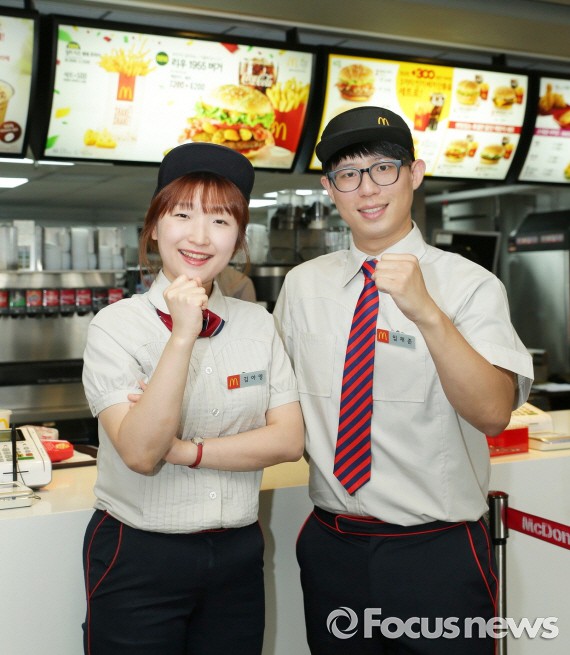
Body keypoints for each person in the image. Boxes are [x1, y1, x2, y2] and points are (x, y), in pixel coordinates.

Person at [273, 106, 533, 655]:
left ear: (414, 174)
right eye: (349, 173)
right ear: (330, 188)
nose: (367, 188)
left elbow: (493, 413)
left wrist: (427, 312)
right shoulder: (301, 287)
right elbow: (275, 400)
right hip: (334, 547)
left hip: (436, 553)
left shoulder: (469, 285)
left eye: (383, 168)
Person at [81, 142, 304, 655]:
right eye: (183, 214)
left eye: (221, 220)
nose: (200, 236)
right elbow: (140, 453)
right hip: (138, 555)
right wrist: (183, 333)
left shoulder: (258, 324)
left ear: (238, 238)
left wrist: (183, 450)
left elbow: (289, 441)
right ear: (154, 227)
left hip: (238, 554)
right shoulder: (115, 327)